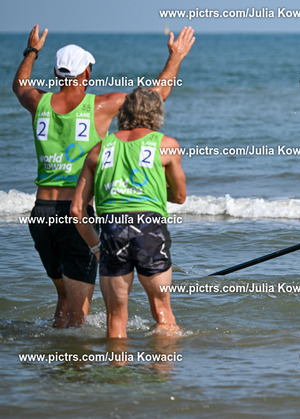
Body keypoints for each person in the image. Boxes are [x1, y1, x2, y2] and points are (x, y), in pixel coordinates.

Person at [13, 24, 195, 328]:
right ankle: (74, 358)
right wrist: (176, 57)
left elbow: (20, 85)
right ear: (86, 72)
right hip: (76, 216)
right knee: (78, 312)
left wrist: (31, 51)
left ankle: (55, 353)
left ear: (57, 73)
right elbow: (153, 98)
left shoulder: (38, 103)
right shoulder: (99, 105)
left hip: (41, 214)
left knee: (63, 300)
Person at [71, 88, 186, 339]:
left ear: (122, 113)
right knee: (163, 312)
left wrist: (96, 247)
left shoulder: (97, 150)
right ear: (156, 114)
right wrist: (149, 190)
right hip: (149, 230)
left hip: (113, 230)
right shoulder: (167, 145)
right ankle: (163, 362)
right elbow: (179, 196)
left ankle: (117, 363)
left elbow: (77, 210)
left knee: (115, 318)